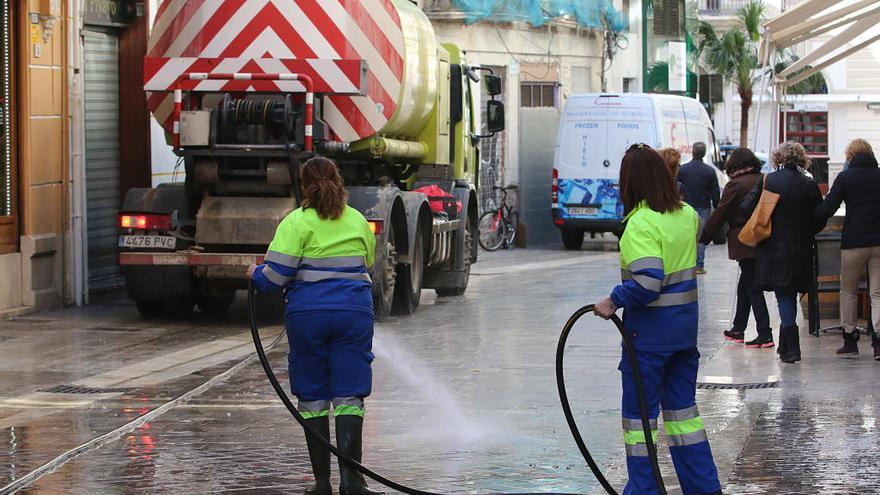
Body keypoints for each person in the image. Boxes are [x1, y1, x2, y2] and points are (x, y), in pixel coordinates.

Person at [247, 157, 382, 495]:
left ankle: (322, 484)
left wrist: (254, 274)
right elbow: (367, 263)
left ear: (304, 186)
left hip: (308, 317)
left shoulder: (295, 223)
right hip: (353, 314)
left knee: (313, 396)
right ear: (338, 181)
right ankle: (352, 482)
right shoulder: (357, 220)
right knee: (350, 394)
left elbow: (274, 278)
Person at [595, 144, 721, 495]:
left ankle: (644, 491)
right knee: (684, 420)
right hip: (683, 337)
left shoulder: (640, 224)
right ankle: (705, 489)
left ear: (630, 184)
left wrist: (613, 300)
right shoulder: (686, 215)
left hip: (648, 341)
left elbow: (649, 281)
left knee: (640, 426)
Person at [740, 142, 822, 363]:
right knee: (791, 292)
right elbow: (819, 216)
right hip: (801, 247)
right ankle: (786, 345)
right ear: (801, 159)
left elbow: (746, 208)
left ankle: (792, 348)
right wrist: (807, 231)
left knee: (784, 294)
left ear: (778, 158)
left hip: (774, 247)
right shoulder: (808, 184)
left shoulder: (769, 181)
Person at [815, 138, 880, 360]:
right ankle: (878, 342)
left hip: (854, 242)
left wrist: (809, 218)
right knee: (877, 293)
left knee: (849, 291)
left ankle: (850, 339)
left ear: (850, 157)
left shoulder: (846, 177)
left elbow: (828, 207)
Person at [700, 148, 771, 347]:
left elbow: (721, 212)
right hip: (763, 237)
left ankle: (765, 333)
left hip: (744, 240)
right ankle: (738, 329)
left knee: (753, 286)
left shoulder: (735, 184)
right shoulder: (765, 179)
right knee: (745, 285)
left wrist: (703, 237)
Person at [678, 142, 720, 274]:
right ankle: (699, 265)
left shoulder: (683, 169)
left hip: (685, 206)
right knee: (700, 236)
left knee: (686, 235)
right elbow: (715, 192)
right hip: (703, 206)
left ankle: (686, 264)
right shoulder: (710, 171)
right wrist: (717, 205)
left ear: (692, 152)